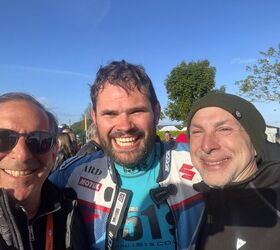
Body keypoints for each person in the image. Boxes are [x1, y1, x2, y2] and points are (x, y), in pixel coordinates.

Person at [50, 60, 203, 250]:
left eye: (137, 111)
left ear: (156, 112)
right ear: (95, 118)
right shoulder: (72, 174)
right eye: (110, 114)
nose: (125, 126)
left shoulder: (199, 162)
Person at [186, 91, 280, 250]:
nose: (207, 146)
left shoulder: (274, 193)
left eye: (224, 129)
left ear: (254, 143)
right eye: (197, 132)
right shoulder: (195, 202)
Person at [0, 92, 89, 250]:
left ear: (54, 153)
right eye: (4, 139)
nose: (22, 155)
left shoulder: (70, 211)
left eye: (39, 140)